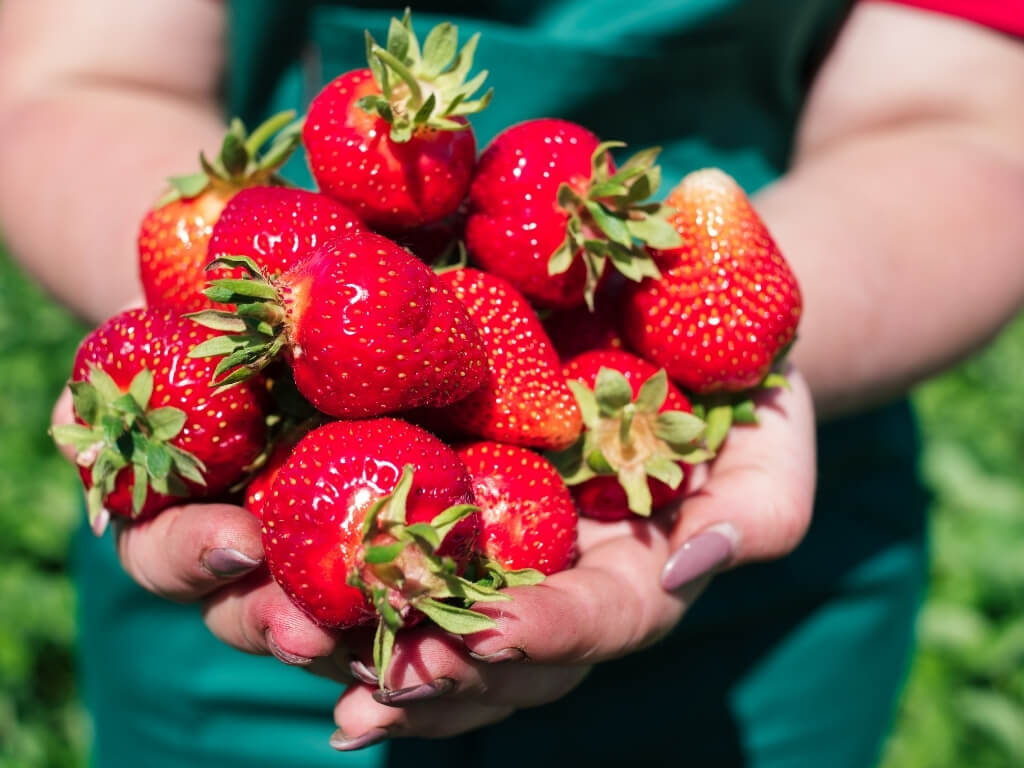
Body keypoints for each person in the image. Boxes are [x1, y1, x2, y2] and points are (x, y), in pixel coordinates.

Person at [1, 1, 1022, 766]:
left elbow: (966, 124)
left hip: (734, 574)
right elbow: (76, 78)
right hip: (259, 584)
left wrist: (735, 356)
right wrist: (196, 338)